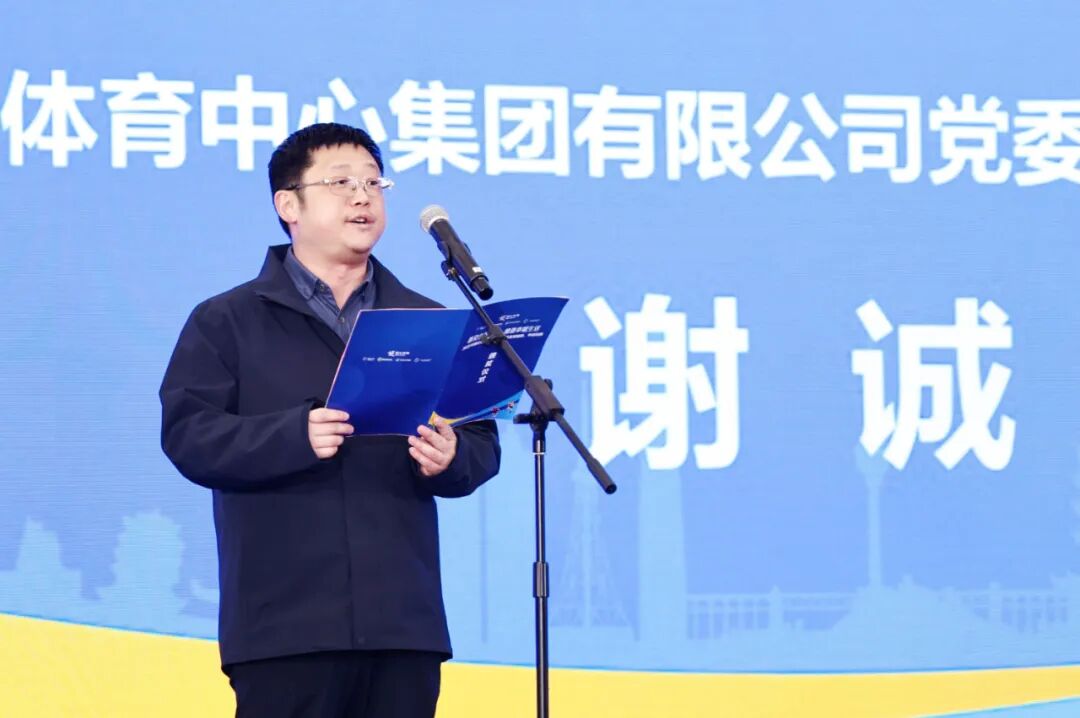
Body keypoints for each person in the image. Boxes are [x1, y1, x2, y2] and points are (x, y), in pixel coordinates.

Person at [159, 122, 501, 718]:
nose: (362, 197)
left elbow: (479, 440)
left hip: (402, 626)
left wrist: (452, 457)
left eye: (373, 182)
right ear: (288, 205)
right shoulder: (228, 321)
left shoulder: (426, 319)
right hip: (284, 631)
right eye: (341, 183)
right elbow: (189, 435)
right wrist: (293, 435)